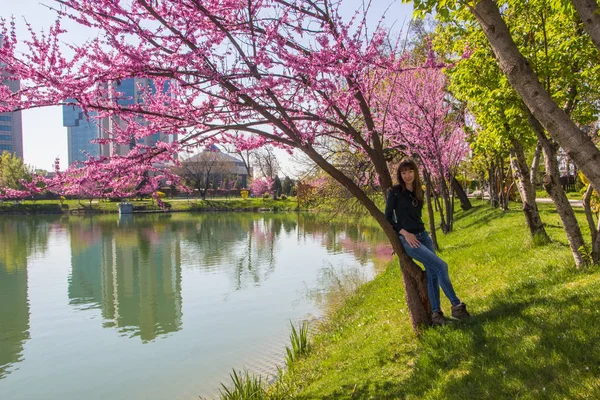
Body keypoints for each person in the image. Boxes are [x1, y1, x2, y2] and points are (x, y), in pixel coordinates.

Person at [384, 159, 470, 326]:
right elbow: (387, 218)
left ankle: (436, 315)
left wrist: (423, 233)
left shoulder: (418, 191)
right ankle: (457, 307)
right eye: (403, 172)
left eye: (410, 171)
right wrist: (405, 233)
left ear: (415, 172)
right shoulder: (395, 192)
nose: (407, 175)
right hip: (409, 240)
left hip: (423, 236)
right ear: (400, 175)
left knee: (432, 273)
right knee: (441, 266)